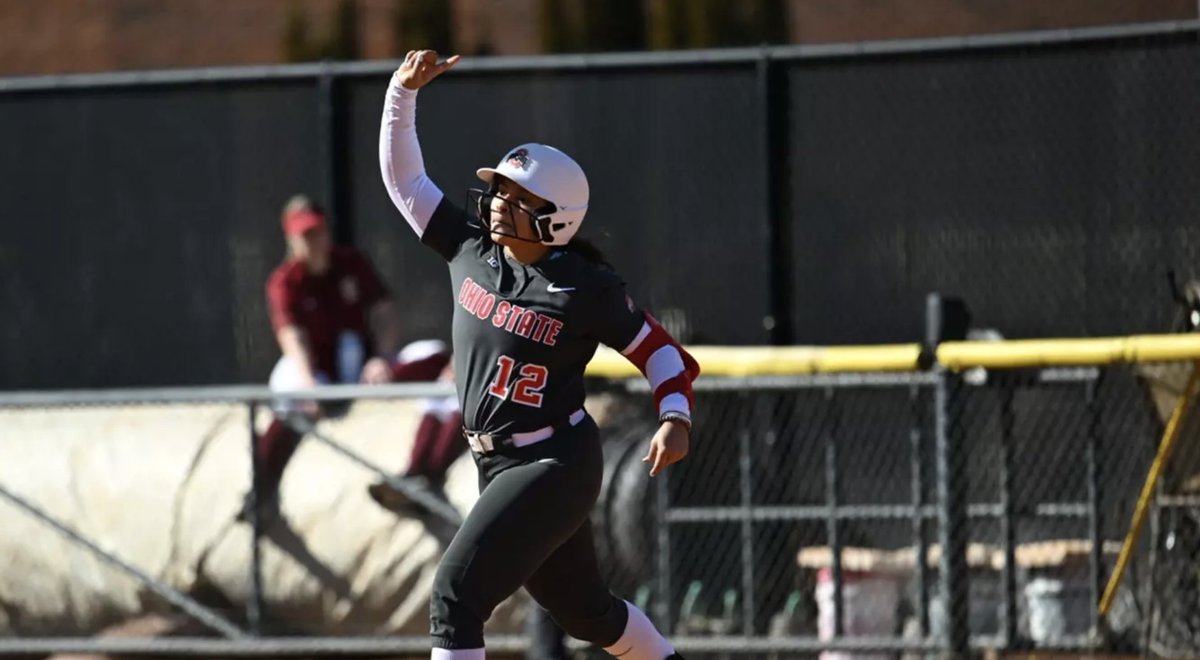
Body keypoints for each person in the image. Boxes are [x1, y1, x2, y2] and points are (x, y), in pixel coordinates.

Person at [378, 50, 699, 660]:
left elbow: (661, 353)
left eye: (516, 196)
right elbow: (406, 183)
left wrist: (675, 416)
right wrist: (402, 93)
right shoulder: (472, 250)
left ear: (555, 219)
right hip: (498, 463)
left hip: (553, 462)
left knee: (454, 596)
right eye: (498, 188)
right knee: (587, 613)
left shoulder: (584, 286)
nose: (497, 201)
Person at [246, 195, 425, 521]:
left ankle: (419, 474)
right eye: (305, 235)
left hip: (362, 366)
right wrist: (307, 379)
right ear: (291, 238)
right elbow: (291, 334)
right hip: (316, 370)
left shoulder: (351, 263)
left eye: (318, 231)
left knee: (431, 354)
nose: (314, 241)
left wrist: (383, 356)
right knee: (289, 396)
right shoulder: (286, 280)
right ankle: (260, 491)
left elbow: (383, 311)